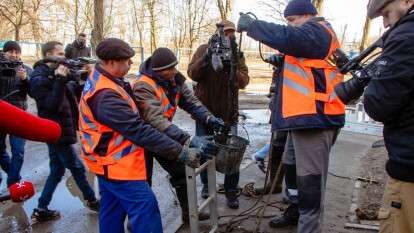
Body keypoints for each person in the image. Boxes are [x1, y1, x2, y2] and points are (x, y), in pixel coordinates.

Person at [78, 38, 213, 233]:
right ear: (111, 62)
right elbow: (139, 130)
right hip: (117, 164)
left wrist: (207, 118)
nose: (131, 64)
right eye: (127, 60)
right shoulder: (105, 95)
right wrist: (180, 151)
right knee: (146, 208)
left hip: (107, 162)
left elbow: (187, 101)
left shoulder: (107, 81)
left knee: (112, 210)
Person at [237, 0, 345, 232]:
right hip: (303, 119)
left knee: (310, 182)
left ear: (307, 15)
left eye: (292, 20)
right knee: (292, 168)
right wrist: (283, 60)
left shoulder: (319, 31)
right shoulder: (311, 36)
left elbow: (289, 38)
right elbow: (303, 60)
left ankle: (309, 225)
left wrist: (254, 27)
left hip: (317, 119)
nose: (290, 25)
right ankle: (295, 210)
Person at [133, 47, 223, 222]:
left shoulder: (175, 79)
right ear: (158, 71)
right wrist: (187, 139)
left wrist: (208, 118)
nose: (174, 71)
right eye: (169, 69)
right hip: (143, 139)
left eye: (175, 66)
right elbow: (155, 120)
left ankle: (189, 214)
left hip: (162, 134)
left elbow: (191, 102)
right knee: (142, 182)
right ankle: (136, 222)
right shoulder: (143, 85)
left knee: (180, 170)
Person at [29, 41, 99, 223]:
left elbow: (73, 91)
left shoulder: (58, 72)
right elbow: (51, 106)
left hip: (64, 129)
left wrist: (87, 75)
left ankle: (41, 208)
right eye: (60, 54)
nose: (64, 57)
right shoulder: (38, 77)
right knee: (76, 167)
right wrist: (60, 79)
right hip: (55, 131)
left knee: (57, 171)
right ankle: (92, 200)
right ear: (48, 56)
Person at [187, 20, 250, 209]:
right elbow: (192, 73)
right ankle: (207, 186)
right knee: (205, 150)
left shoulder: (237, 54)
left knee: (232, 155)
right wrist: (206, 58)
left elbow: (245, 80)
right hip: (204, 113)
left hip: (229, 114)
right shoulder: (203, 49)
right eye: (225, 33)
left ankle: (231, 192)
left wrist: (232, 67)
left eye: (231, 33)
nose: (228, 36)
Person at [363, 1, 414, 232]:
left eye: (386, 13)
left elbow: (379, 104)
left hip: (409, 169)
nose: (386, 24)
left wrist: (375, 81)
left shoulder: (406, 36)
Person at [0, 41, 32, 188]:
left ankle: (13, 183)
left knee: (18, 151)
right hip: (1, 115)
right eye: (10, 51)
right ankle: (15, 177)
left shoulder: (25, 69)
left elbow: (31, 92)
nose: (13, 54)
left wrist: (25, 79)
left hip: (19, 116)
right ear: (4, 52)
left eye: (16, 52)